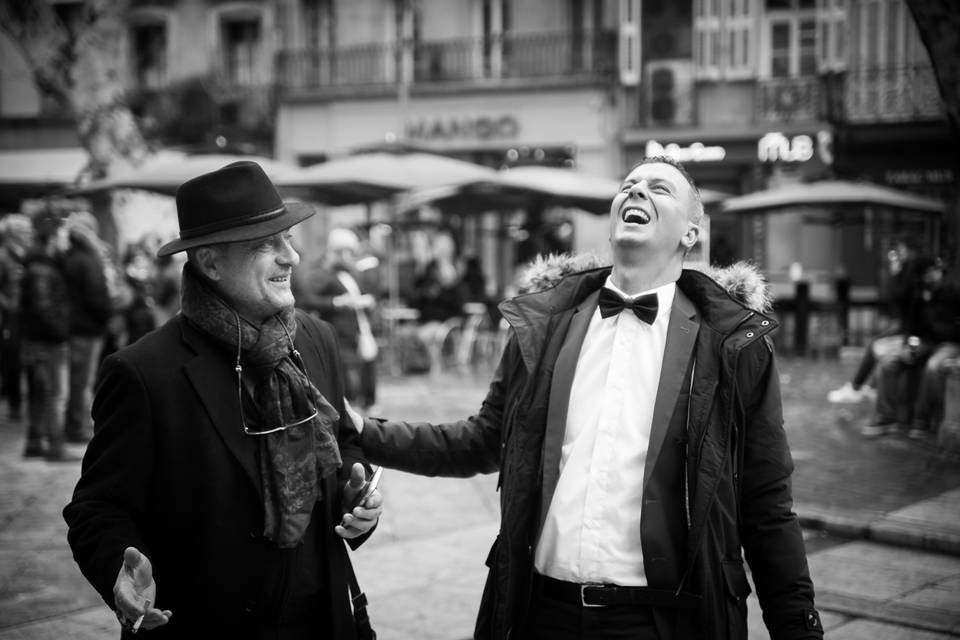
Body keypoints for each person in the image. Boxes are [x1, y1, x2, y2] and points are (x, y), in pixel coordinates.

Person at [351, 156, 823, 639]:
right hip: (539, 615)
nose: (637, 191)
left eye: (659, 189)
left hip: (667, 623)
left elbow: (766, 505)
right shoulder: (547, 326)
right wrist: (365, 432)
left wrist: (798, 628)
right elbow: (482, 439)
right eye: (629, 185)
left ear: (691, 233)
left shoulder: (732, 344)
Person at [63, 161, 383, 639]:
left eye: (288, 238)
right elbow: (97, 508)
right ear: (210, 263)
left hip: (323, 617)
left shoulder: (317, 340)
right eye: (265, 244)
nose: (290, 257)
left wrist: (356, 505)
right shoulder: (144, 372)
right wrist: (119, 576)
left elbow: (343, 447)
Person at [863, 258, 960, 438]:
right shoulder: (918, 295)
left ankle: (921, 420)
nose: (932, 275)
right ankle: (886, 416)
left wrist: (938, 327)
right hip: (924, 342)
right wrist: (909, 345)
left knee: (932, 367)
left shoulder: (952, 292)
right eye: (927, 272)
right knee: (887, 363)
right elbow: (909, 325)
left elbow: (953, 327)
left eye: (935, 270)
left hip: (948, 343)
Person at [827, 239, 922, 403]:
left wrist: (896, 273)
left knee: (875, 346)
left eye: (901, 249)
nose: (898, 254)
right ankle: (867, 387)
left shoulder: (913, 272)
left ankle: (857, 388)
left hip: (912, 330)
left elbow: (900, 296)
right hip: (907, 326)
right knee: (876, 346)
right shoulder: (909, 271)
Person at [298, 228, 381, 413]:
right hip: (339, 335)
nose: (352, 255)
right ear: (338, 251)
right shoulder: (322, 273)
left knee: (366, 370)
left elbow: (371, 290)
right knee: (347, 379)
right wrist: (337, 303)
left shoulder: (351, 273)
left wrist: (367, 301)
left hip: (360, 331)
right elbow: (307, 299)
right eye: (348, 251)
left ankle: (366, 408)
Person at [19, 208, 75, 461]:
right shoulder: (42, 268)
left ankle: (35, 440)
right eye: (60, 234)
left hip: (40, 339)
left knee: (41, 392)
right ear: (50, 238)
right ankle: (55, 444)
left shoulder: (40, 265)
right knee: (54, 393)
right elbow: (42, 308)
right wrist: (61, 332)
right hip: (48, 341)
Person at [62, 211, 113, 444]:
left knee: (77, 380)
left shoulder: (69, 255)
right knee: (82, 381)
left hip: (76, 325)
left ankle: (76, 424)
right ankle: (78, 427)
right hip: (87, 327)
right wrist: (107, 315)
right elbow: (95, 295)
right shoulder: (87, 257)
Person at [0, 213, 33, 421]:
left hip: (28, 315)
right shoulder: (3, 256)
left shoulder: (27, 254)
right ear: (13, 233)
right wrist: (9, 305)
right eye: (24, 231)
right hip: (12, 317)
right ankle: (15, 404)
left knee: (28, 359)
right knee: (13, 359)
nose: (28, 234)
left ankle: (24, 403)